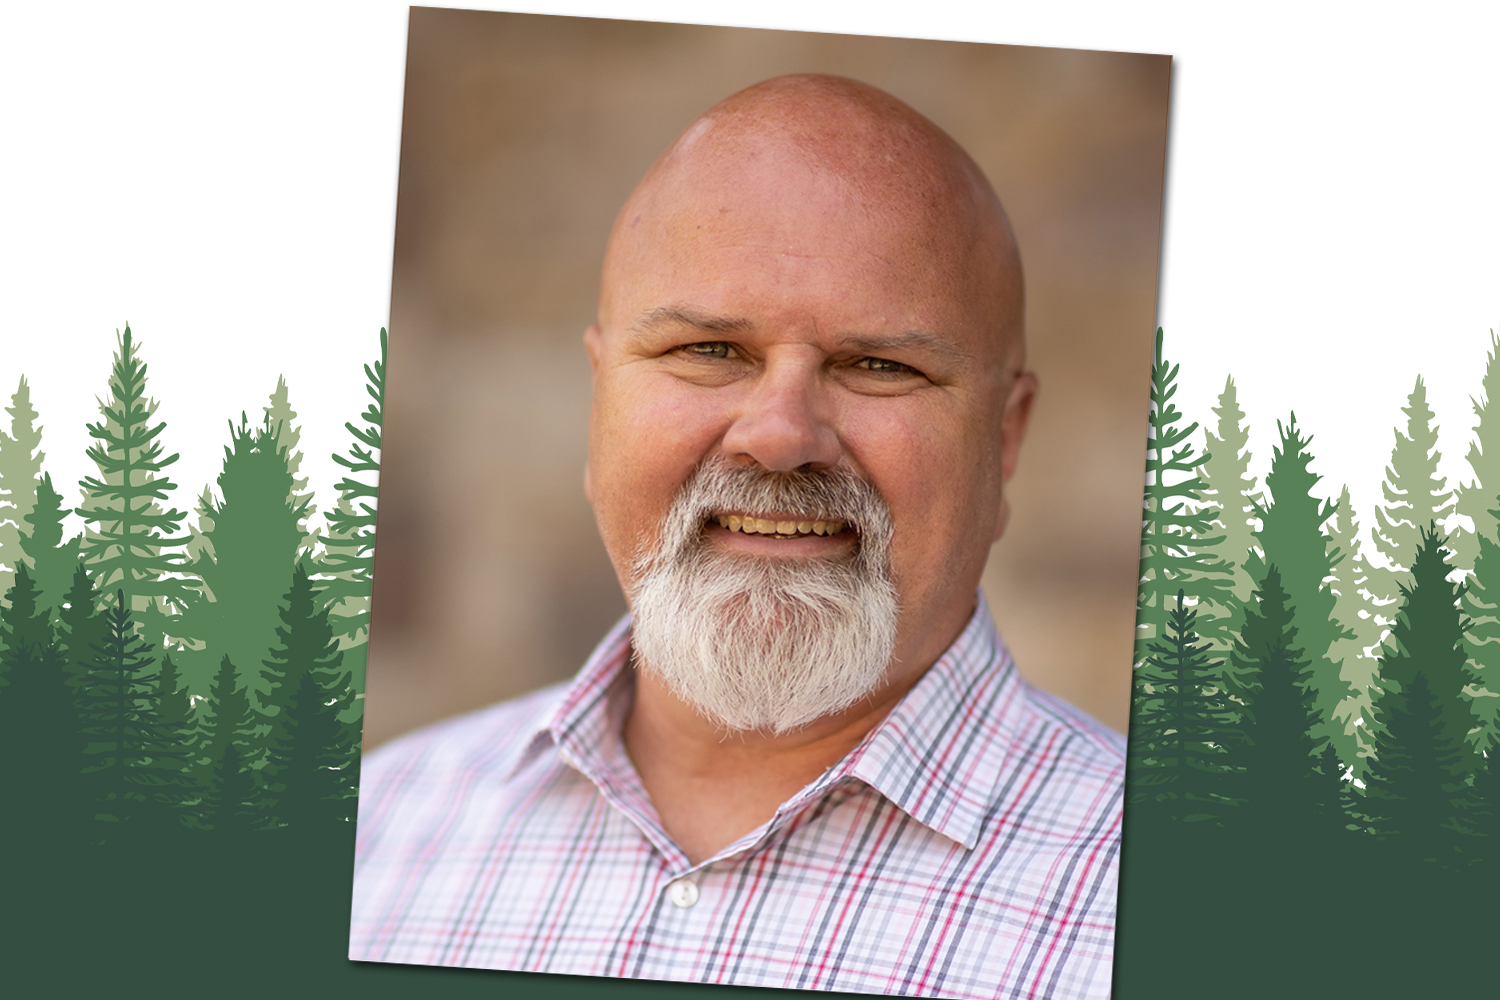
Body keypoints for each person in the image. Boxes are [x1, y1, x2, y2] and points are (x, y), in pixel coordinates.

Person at [350, 74, 1124, 999]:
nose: (782, 434)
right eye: (709, 351)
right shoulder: (378, 834)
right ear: (601, 405)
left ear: (1004, 440)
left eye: (880, 365)